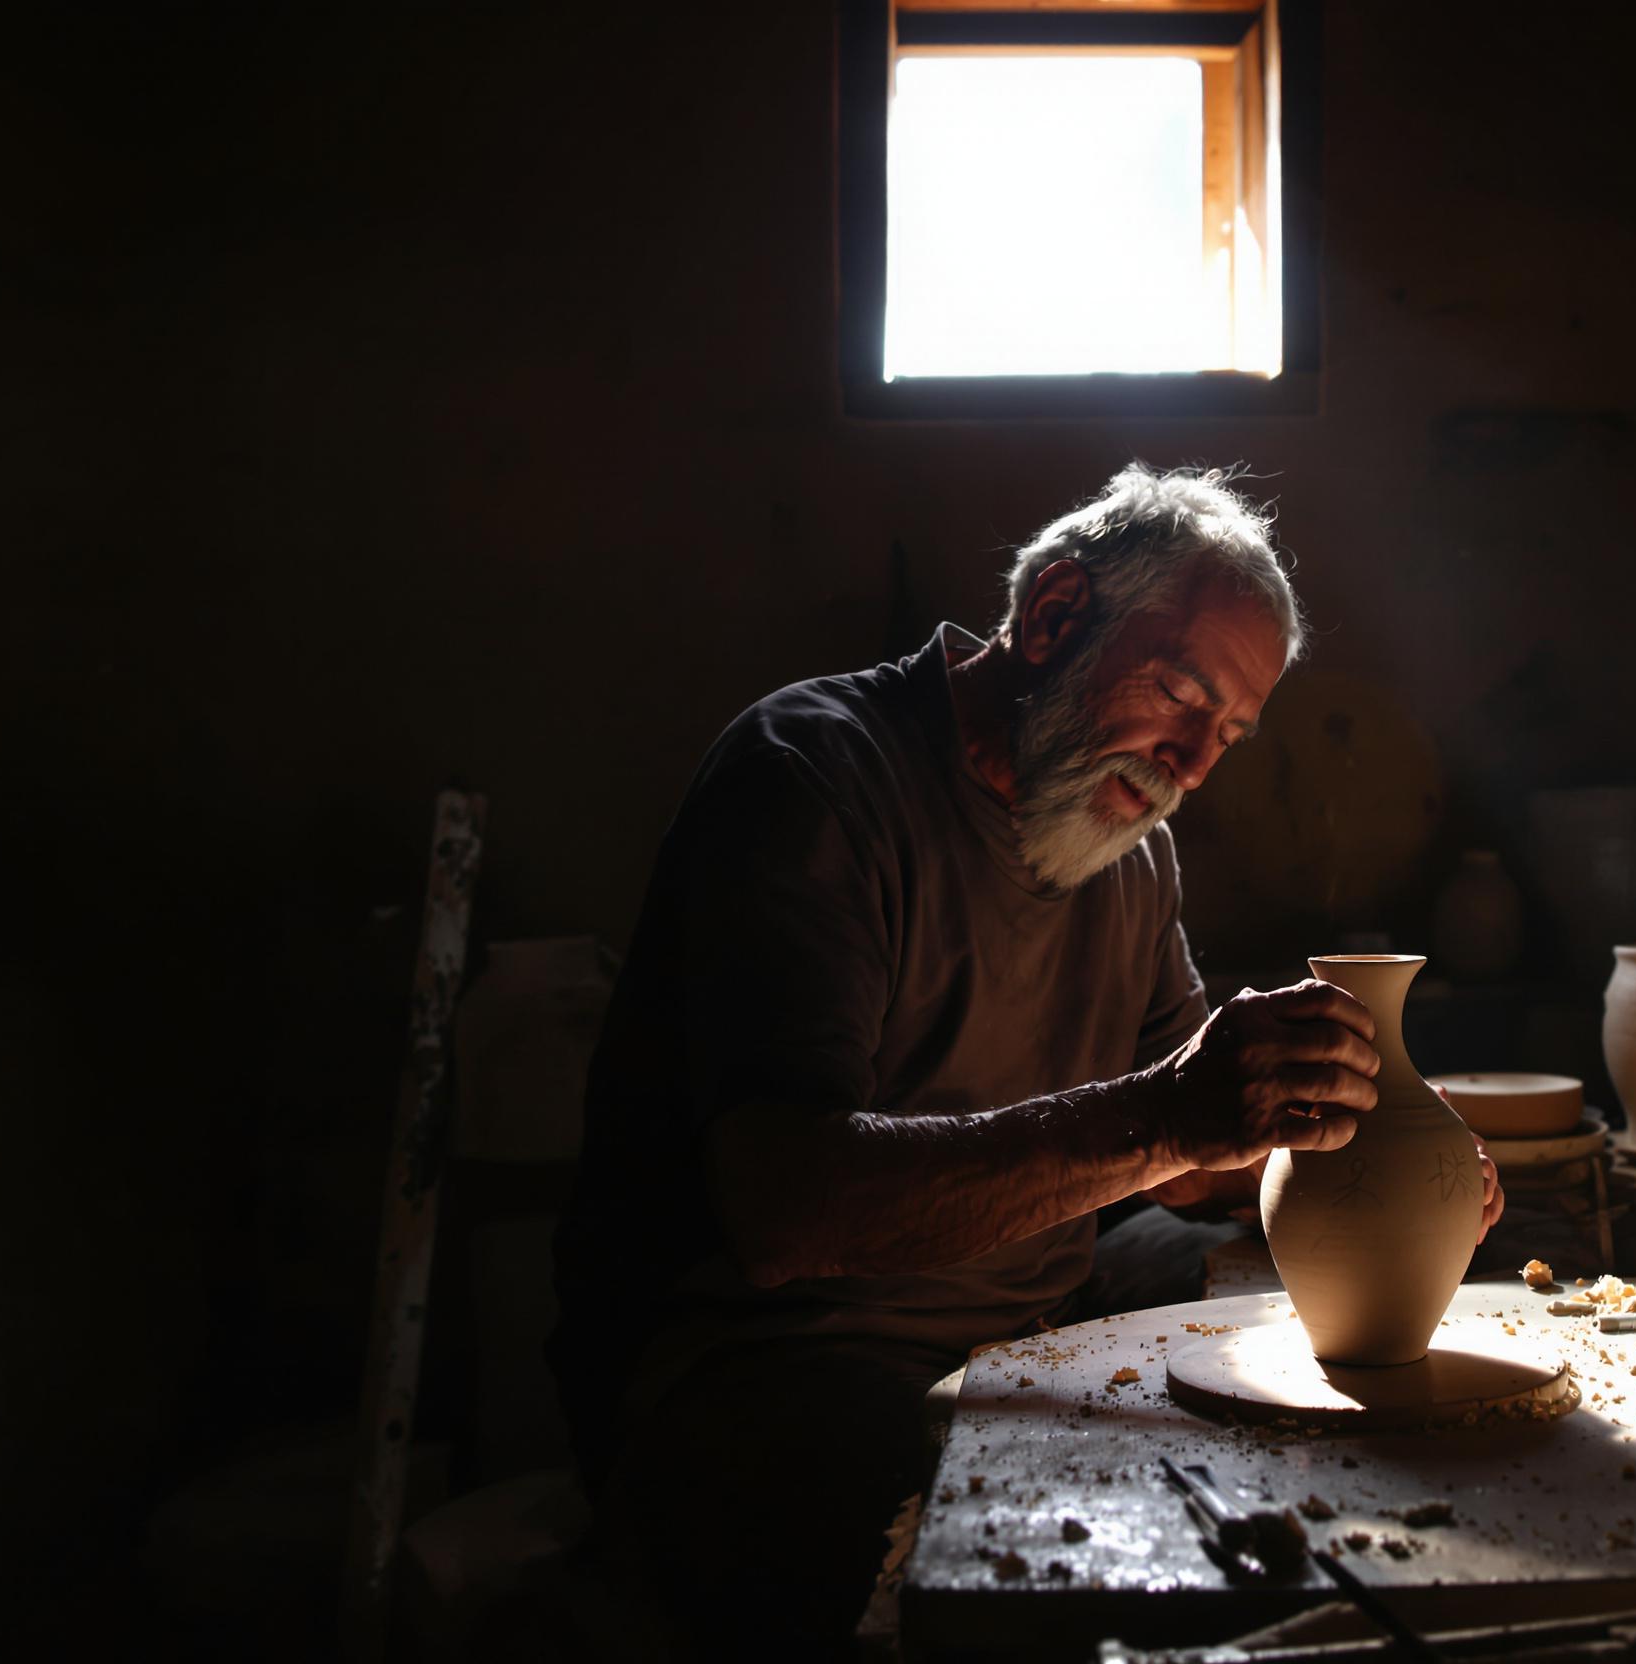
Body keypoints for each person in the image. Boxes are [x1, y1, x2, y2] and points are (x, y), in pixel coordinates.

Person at [549, 464, 1502, 1654]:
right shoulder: (812, 777)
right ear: (1053, 615)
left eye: (1230, 734)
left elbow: (1191, 1163)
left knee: (1320, 1384)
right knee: (1022, 1569)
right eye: (1180, 693)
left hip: (1026, 1327)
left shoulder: (1127, 848)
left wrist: (1340, 1110)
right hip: (775, 1354)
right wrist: (1172, 1116)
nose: (1195, 762)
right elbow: (784, 1207)